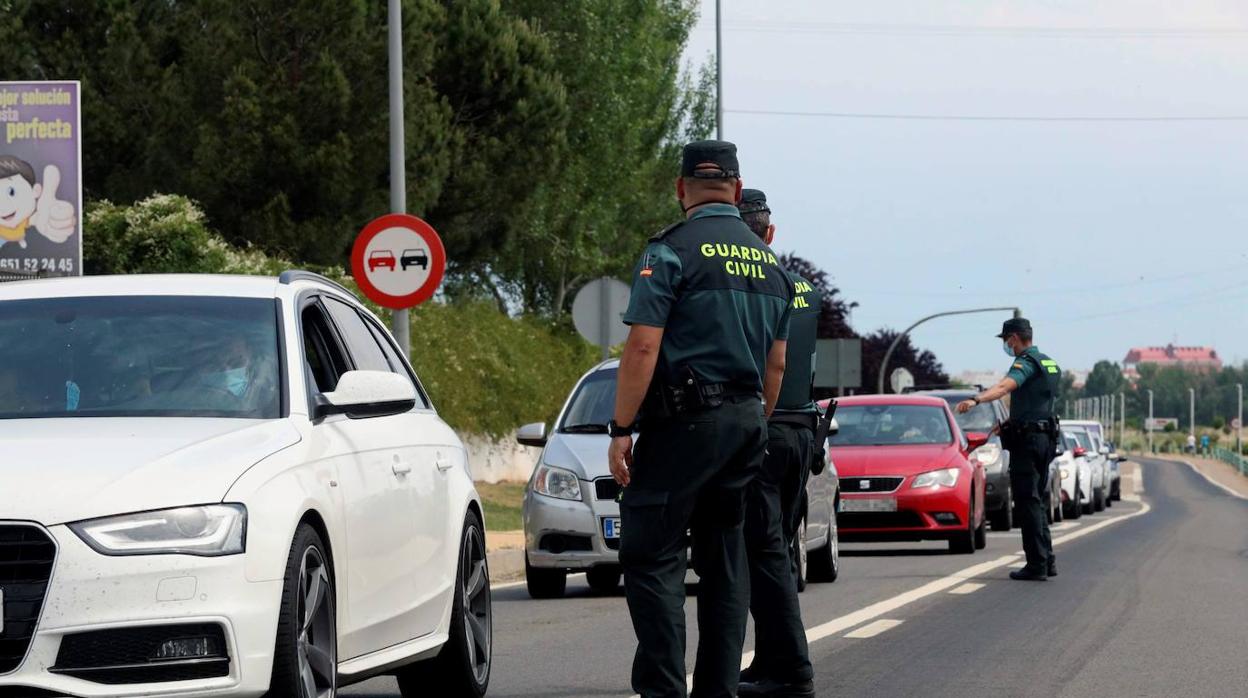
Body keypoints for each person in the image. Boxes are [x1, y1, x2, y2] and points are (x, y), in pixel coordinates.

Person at [607, 141, 794, 698]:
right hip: (746, 423)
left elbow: (642, 347)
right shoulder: (771, 264)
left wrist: (621, 430)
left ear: (681, 188)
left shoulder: (670, 251)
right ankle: (718, 690)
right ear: (736, 191)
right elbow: (776, 365)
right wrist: (751, 421)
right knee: (724, 559)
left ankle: (664, 691)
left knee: (653, 555)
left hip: (683, 424)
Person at [735, 188, 817, 698]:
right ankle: (768, 661)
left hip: (767, 429)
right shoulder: (803, 287)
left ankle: (792, 671)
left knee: (762, 554)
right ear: (771, 233)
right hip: (802, 435)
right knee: (778, 553)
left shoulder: (753, 292)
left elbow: (773, 364)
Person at [956, 317, 1059, 581]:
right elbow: (1036, 401)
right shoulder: (1048, 362)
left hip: (1029, 443)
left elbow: (1005, 386)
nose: (1005, 345)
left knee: (1027, 502)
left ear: (1014, 338)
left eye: (1005, 340)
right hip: (1045, 438)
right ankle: (1047, 560)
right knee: (1036, 500)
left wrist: (976, 399)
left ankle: (1036, 564)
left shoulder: (1024, 362)